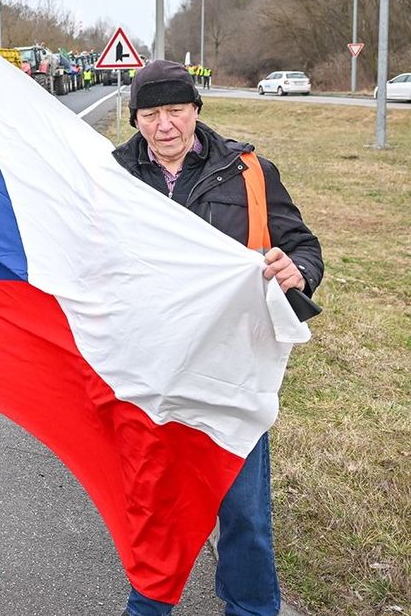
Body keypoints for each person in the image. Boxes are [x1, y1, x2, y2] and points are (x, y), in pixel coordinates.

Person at [112, 59, 323, 616]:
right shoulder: (112, 178)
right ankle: (148, 605)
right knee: (153, 503)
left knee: (244, 509)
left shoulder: (249, 172)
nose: (164, 125)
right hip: (149, 373)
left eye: (175, 110)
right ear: (135, 119)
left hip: (230, 370)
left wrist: (298, 271)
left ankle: (251, 607)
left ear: (196, 109)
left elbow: (303, 245)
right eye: (150, 115)